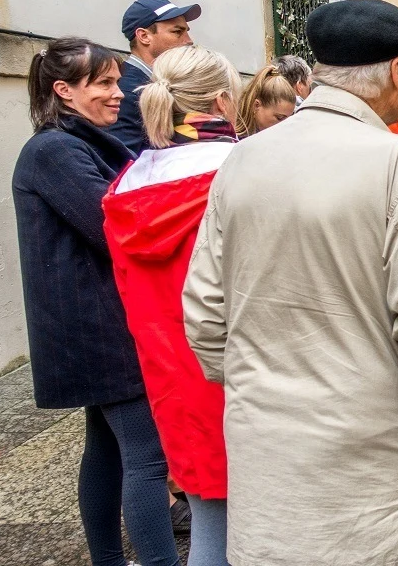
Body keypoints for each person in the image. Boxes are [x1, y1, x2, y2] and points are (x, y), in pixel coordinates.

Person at [182, 0, 398, 565]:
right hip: (369, 458)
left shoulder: (242, 161)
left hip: (267, 450)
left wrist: (261, 384)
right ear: (397, 71)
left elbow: (203, 312)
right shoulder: (397, 167)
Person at [13, 37, 181, 566]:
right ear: (64, 90)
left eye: (115, 81)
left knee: (108, 451)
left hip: (96, 321)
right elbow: (113, 226)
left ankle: (109, 560)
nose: (119, 94)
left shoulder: (82, 143)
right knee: (148, 459)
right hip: (98, 326)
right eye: (105, 83)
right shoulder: (55, 150)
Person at [103, 46, 242, 566]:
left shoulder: (130, 181)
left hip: (171, 378)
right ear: (224, 101)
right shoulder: (239, 172)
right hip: (243, 370)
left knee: (210, 523)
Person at [109, 0, 199, 153]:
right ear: (144, 36)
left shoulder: (146, 83)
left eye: (187, 31)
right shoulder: (126, 91)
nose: (188, 40)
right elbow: (121, 162)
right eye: (178, 32)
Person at [237, 65, 297, 137]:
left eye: (289, 119)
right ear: (256, 106)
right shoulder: (232, 140)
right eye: (280, 118)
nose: (285, 125)